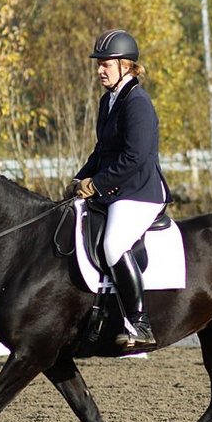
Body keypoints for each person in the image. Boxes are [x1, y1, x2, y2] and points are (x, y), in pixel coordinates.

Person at [67, 29, 171, 349]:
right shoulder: (108, 100)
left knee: (113, 243)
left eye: (106, 64)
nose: (100, 70)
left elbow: (135, 157)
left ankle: (139, 322)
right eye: (98, 64)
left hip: (140, 192)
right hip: (116, 189)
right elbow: (102, 151)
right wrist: (79, 179)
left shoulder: (137, 102)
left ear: (126, 65)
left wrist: (97, 184)